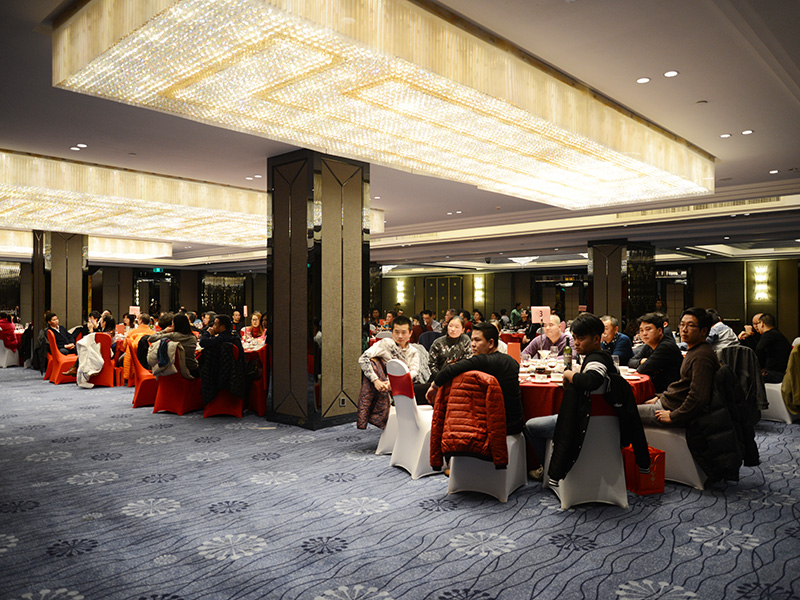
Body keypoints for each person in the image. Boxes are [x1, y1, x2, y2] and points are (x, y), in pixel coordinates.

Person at [524, 312, 616, 481]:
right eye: (574, 338)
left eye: (581, 338)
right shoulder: (599, 357)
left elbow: (591, 380)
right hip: (600, 419)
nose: (576, 343)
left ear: (596, 339)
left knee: (530, 426)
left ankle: (548, 466)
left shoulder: (597, 359)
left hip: (583, 421)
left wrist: (568, 374)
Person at [426, 322, 524, 436]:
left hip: (499, 426)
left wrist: (434, 386)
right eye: (472, 340)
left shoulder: (483, 361)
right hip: (517, 421)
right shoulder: (512, 361)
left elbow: (448, 371)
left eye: (477, 340)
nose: (472, 344)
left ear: (491, 343)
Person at [637, 307, 719, 427]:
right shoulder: (694, 350)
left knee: (623, 412)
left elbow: (699, 397)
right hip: (668, 401)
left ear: (703, 331)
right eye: (682, 325)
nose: (684, 330)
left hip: (672, 409)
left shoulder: (702, 356)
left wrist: (673, 416)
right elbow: (684, 386)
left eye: (690, 325)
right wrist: (661, 397)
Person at [357, 315, 423, 429]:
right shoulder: (386, 344)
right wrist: (375, 380)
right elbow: (363, 359)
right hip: (385, 388)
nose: (400, 336)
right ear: (391, 332)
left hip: (406, 385)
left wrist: (396, 383)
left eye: (404, 332)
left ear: (410, 333)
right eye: (396, 332)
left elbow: (414, 372)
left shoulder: (413, 351)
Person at [628, 312, 683, 393]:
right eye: (641, 330)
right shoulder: (649, 344)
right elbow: (631, 362)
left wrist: (643, 363)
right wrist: (641, 361)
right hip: (659, 390)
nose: (644, 333)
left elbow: (642, 369)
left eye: (648, 329)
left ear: (660, 330)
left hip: (670, 393)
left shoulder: (666, 346)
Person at [147, 313, 200, 377]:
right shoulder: (193, 337)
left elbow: (151, 338)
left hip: (176, 370)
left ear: (175, 325)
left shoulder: (172, 336)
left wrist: (165, 331)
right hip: (192, 369)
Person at [755, 313, 792, 383]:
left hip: (775, 374)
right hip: (783, 373)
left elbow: (758, 351)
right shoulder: (777, 334)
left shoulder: (768, 335)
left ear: (762, 324)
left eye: (757, 324)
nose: (756, 326)